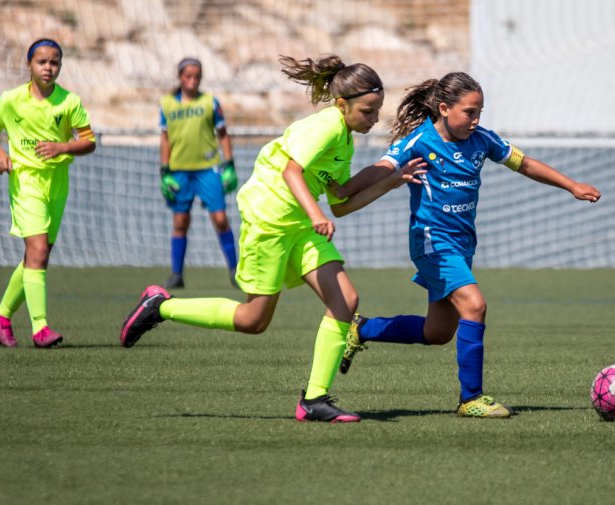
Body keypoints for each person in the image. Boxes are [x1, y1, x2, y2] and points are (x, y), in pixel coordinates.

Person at [120, 55, 425, 423]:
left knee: (345, 300)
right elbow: (291, 170)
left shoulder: (344, 139)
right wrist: (316, 215)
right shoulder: (326, 127)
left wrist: (391, 181)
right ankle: (161, 306)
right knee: (253, 320)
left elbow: (341, 198)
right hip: (271, 220)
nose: (374, 118)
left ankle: (314, 400)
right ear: (342, 105)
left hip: (299, 225)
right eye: (367, 110)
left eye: (377, 110)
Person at [337, 72, 601, 418]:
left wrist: (571, 185)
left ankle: (363, 327)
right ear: (444, 108)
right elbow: (382, 167)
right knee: (474, 306)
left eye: (480, 112)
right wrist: (345, 190)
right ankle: (470, 398)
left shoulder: (481, 140)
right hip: (433, 243)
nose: (476, 121)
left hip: (462, 245)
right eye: (469, 112)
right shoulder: (419, 141)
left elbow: (525, 164)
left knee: (438, 332)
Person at [0, 38, 96, 348]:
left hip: (57, 183)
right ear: (29, 65)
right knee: (39, 252)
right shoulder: (10, 99)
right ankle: (40, 328)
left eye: (54, 62)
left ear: (60, 66)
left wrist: (63, 146)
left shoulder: (69, 102)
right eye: (41, 62)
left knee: (37, 256)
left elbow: (89, 141)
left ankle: (1, 314)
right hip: (25, 182)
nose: (48, 67)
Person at [159, 57, 239, 289]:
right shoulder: (167, 104)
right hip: (179, 170)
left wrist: (229, 164)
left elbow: (223, 134)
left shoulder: (210, 103)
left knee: (221, 219)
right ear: (180, 77)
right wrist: (164, 170)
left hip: (208, 169)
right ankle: (176, 274)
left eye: (197, 76)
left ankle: (235, 270)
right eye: (188, 76)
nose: (193, 81)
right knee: (181, 220)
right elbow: (164, 138)